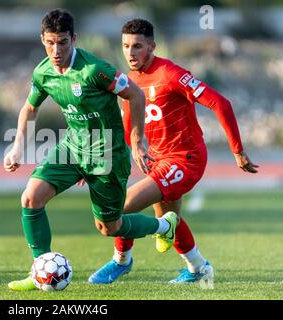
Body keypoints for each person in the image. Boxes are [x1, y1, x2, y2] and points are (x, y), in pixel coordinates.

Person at [3, 9, 179, 291]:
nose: (56, 50)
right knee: (31, 198)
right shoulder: (44, 71)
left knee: (110, 227)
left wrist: (137, 139)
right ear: (42, 40)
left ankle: (164, 226)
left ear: (74, 38)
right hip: (72, 147)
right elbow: (30, 108)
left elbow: (135, 94)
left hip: (107, 154)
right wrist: (17, 147)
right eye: (50, 42)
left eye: (62, 42)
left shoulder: (95, 70)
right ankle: (40, 272)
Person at [88, 18, 259, 285]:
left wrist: (237, 151)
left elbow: (220, 103)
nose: (130, 53)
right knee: (170, 220)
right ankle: (198, 268)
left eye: (137, 46)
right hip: (158, 162)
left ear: (152, 46)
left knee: (120, 206)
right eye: (125, 46)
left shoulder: (170, 74)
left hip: (186, 159)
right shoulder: (129, 82)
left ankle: (121, 261)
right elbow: (126, 127)